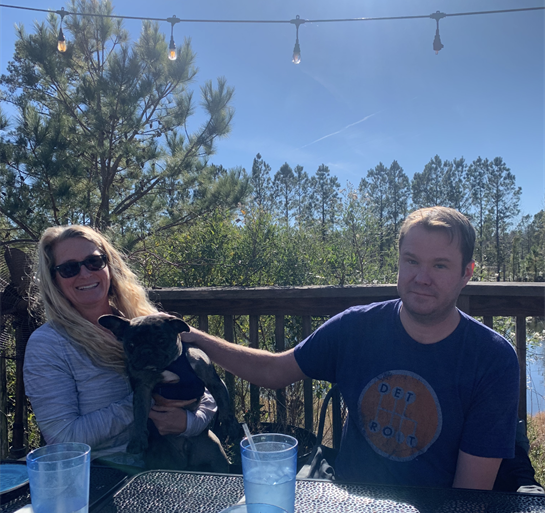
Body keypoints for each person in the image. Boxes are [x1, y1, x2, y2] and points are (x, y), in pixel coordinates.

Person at [179, 208, 521, 491]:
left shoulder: (492, 359)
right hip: (353, 508)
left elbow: (469, 499)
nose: (422, 277)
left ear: (466, 273)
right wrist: (198, 338)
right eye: (412, 261)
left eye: (440, 265)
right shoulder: (355, 328)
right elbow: (273, 371)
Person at [23, 224, 219, 466]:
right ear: (54, 279)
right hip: (107, 473)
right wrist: (144, 398)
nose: (84, 274)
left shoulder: (146, 321)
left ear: (109, 265)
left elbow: (205, 389)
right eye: (69, 268)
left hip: (181, 457)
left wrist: (189, 423)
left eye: (94, 262)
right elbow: (63, 439)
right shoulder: (49, 344)